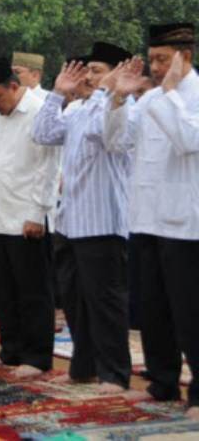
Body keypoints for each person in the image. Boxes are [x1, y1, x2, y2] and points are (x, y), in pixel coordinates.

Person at [104, 23, 199, 418]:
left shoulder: (189, 95)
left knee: (190, 312)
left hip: (185, 224)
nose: (157, 68)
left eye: (164, 59)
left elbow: (188, 140)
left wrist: (170, 96)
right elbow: (115, 142)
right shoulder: (151, 100)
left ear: (186, 56)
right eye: (154, 59)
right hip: (145, 219)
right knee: (154, 309)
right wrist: (118, 101)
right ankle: (161, 382)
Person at [33, 42, 133, 393]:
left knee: (105, 302)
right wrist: (57, 94)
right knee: (75, 299)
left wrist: (115, 96)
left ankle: (114, 374)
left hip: (103, 222)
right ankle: (85, 366)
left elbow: (115, 139)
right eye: (87, 71)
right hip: (71, 221)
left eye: (96, 70)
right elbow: (42, 134)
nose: (88, 77)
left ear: (119, 73)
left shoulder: (122, 108)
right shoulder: (76, 109)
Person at [0, 57, 59, 378]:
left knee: (33, 289)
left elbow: (48, 168)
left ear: (14, 86)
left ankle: (37, 357)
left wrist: (37, 212)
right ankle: (10, 350)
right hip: (1, 214)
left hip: (29, 216)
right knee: (5, 288)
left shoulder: (39, 112)